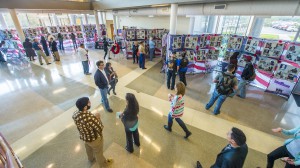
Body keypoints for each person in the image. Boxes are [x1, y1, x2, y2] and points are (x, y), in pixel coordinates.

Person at [73, 97, 113, 167]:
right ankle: (104, 165)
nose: (90, 103)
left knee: (88, 149)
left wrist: (92, 118)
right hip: (94, 139)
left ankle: (91, 159)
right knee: (98, 153)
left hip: (85, 137)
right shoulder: (90, 118)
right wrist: (97, 118)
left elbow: (83, 121)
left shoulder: (75, 114)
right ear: (85, 107)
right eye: (88, 102)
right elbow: (100, 127)